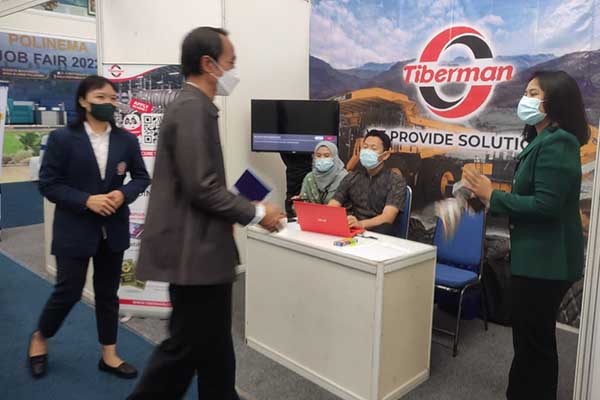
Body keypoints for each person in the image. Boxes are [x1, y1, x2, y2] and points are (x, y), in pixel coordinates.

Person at [128, 27, 283, 400]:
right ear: (208, 64)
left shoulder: (196, 107)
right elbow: (201, 187)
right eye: (231, 62)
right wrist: (257, 212)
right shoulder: (191, 109)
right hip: (194, 254)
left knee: (214, 347)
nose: (234, 70)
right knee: (185, 348)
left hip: (203, 252)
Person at [463, 70, 588, 400]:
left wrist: (493, 195)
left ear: (554, 102)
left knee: (535, 343)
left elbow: (546, 205)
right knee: (529, 339)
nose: (525, 99)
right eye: (526, 92)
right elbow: (527, 199)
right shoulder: (540, 141)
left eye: (533, 94)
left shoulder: (559, 142)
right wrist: (484, 197)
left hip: (546, 262)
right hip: (535, 258)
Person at [27, 75, 151, 379]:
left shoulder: (126, 140)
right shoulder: (62, 138)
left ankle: (109, 354)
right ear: (83, 101)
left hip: (113, 228)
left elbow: (141, 177)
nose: (108, 103)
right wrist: (86, 200)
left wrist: (123, 193)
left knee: (108, 294)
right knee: (68, 290)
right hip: (74, 227)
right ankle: (40, 336)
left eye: (113, 98)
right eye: (100, 97)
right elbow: (48, 184)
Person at [328, 129, 406, 235]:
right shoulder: (352, 177)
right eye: (365, 147)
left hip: (379, 232)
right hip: (353, 230)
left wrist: (361, 224)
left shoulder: (395, 180)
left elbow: (388, 217)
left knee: (385, 227)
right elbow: (334, 204)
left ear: (385, 155)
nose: (367, 151)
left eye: (373, 148)